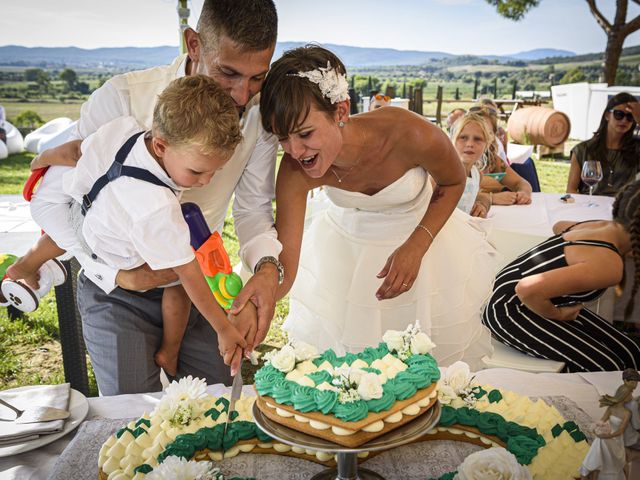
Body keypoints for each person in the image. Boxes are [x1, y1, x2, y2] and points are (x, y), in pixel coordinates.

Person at [29, 0, 281, 395]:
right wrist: (118, 275)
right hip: (115, 288)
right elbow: (69, 199)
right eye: (228, 73)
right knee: (130, 418)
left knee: (215, 409)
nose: (240, 95)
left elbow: (252, 209)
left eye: (256, 79)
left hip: (197, 286)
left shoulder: (259, 118)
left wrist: (266, 270)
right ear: (194, 44)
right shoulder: (122, 100)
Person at [260, 45, 499, 370]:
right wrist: (259, 299)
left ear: (341, 112)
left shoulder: (409, 133)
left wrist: (417, 245)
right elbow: (285, 268)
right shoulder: (293, 171)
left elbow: (454, 181)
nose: (294, 151)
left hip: (425, 251)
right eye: (282, 138)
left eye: (304, 133)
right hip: (347, 264)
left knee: (430, 375)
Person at [7, 76, 247, 378]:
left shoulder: (127, 129)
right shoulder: (157, 208)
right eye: (197, 171)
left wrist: (41, 159)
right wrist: (223, 327)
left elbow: (78, 150)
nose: (206, 181)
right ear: (161, 145)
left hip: (86, 212)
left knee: (68, 233)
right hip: (110, 251)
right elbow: (188, 272)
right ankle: (169, 352)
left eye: (215, 171)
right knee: (178, 281)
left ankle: (28, 265)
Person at [482, 180, 640, 372]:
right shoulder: (610, 265)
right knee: (608, 367)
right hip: (508, 309)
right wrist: (558, 315)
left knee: (632, 353)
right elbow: (526, 288)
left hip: (521, 295)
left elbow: (559, 225)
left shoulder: (600, 226)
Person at [567, 92, 640, 197]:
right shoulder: (583, 150)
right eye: (619, 114)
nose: (624, 120)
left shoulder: (636, 149)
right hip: (589, 208)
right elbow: (571, 190)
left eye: (630, 117)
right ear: (607, 115)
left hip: (622, 209)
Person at [580, 370, 638, 479]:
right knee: (600, 441)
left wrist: (606, 436)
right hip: (609, 436)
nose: (631, 395)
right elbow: (601, 420)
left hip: (617, 439)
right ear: (624, 396)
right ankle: (591, 470)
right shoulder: (611, 408)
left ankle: (588, 469)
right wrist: (595, 428)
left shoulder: (627, 413)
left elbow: (620, 431)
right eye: (629, 394)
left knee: (601, 441)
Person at [470, 105, 533, 206]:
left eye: (487, 133)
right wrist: (492, 198)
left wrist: (523, 193)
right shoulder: (455, 161)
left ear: (493, 137)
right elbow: (453, 194)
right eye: (476, 133)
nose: (482, 138)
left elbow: (521, 182)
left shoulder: (492, 160)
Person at [451, 113, 492, 218]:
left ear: (486, 145)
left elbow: (483, 197)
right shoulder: (442, 173)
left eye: (477, 139)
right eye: (463, 137)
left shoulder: (477, 175)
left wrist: (481, 206)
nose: (470, 144)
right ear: (452, 141)